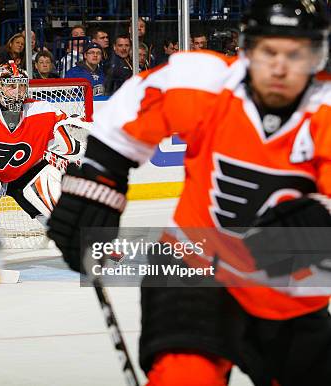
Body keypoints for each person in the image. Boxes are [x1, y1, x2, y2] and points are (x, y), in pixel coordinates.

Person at [48, 1, 331, 385]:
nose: (280, 67)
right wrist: (97, 183)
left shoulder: (324, 109)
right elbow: (130, 109)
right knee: (184, 376)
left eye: (294, 54)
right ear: (248, 50)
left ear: (315, 58)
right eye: (269, 52)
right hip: (192, 265)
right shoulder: (207, 80)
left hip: (285, 283)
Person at [0, 61, 86, 225]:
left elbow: (72, 146)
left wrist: (81, 147)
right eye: (11, 86)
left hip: (27, 174)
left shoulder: (44, 111)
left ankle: (88, 245)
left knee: (67, 214)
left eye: (21, 86)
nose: (17, 92)